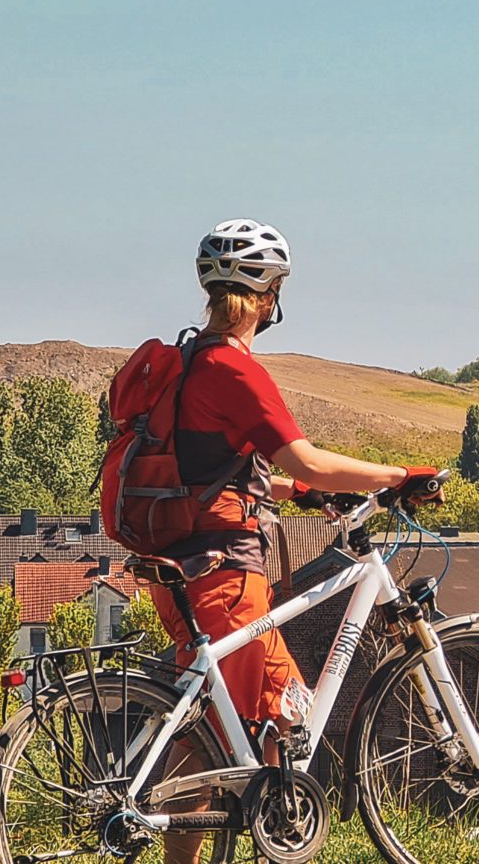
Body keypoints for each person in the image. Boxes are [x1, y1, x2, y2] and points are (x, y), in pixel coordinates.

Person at [157, 219, 441, 863]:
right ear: (266, 297)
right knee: (255, 729)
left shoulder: (186, 361)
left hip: (182, 568)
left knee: (240, 729)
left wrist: (291, 493)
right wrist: (401, 476)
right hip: (227, 573)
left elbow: (205, 471)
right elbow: (309, 459)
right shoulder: (234, 370)